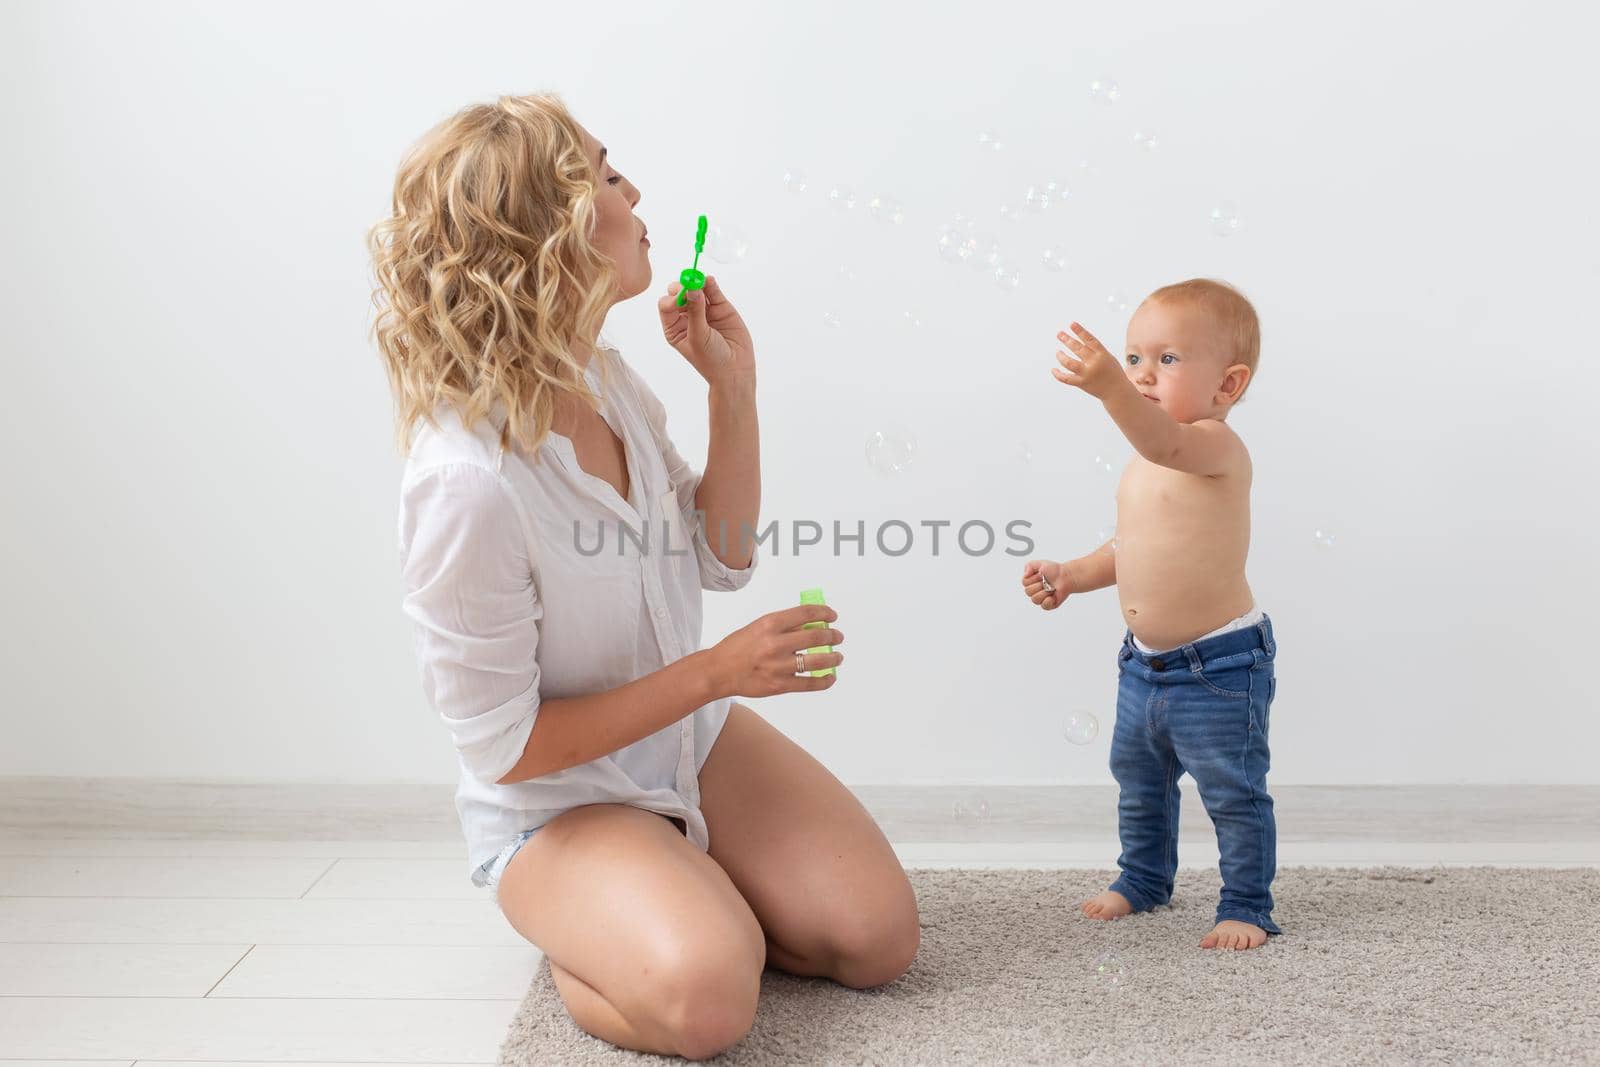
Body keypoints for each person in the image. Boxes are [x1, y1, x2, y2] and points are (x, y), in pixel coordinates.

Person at [369, 92, 919, 1059]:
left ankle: (672, 886)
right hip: (557, 801)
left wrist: (732, 390)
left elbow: (721, 556)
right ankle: (595, 926)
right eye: (609, 175)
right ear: (551, 231)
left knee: (876, 941)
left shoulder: (606, 382)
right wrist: (716, 673)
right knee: (712, 1002)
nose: (638, 190)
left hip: (683, 741)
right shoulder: (467, 484)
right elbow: (505, 748)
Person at [1022, 279, 1281, 950]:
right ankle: (1143, 876)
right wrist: (1072, 575)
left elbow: (1165, 442)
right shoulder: (1147, 462)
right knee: (1138, 778)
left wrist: (1108, 386)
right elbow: (1133, 543)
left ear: (1227, 384)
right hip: (1144, 664)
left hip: (1220, 666)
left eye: (1166, 359)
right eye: (1133, 357)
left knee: (1232, 792)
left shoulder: (1214, 449)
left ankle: (1246, 903)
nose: (1140, 373)